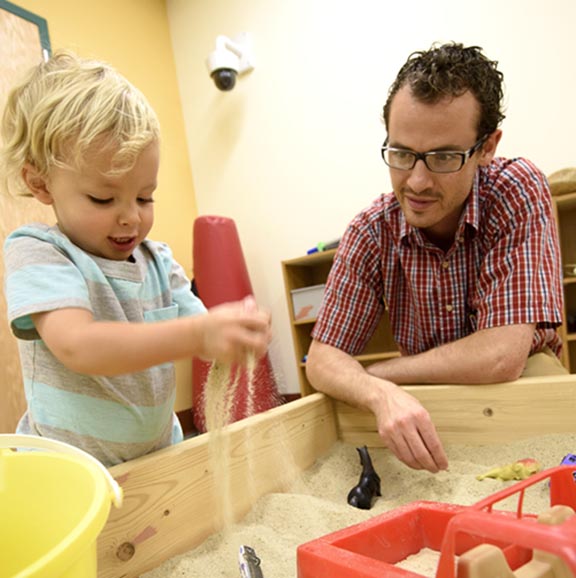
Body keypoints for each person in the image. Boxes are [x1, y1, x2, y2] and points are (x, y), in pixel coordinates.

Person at [0, 51, 271, 467]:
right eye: (103, 198)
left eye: (145, 197)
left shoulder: (157, 261)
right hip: (70, 471)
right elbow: (78, 346)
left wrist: (236, 332)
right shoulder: (39, 252)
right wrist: (199, 335)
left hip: (157, 457)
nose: (131, 216)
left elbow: (200, 327)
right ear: (41, 184)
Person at [306, 42, 564, 474]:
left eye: (444, 156)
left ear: (487, 147)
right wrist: (378, 394)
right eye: (402, 154)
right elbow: (322, 359)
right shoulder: (371, 230)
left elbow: (501, 356)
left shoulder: (517, 189)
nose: (418, 181)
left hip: (519, 378)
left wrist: (376, 375)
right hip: (419, 390)